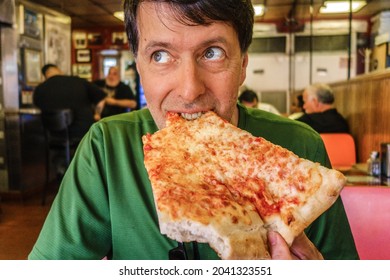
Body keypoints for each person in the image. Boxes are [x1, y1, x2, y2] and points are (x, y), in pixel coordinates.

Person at [29, 0, 358, 260]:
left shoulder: (301, 148)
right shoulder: (106, 148)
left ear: (243, 64)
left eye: (212, 53)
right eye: (160, 55)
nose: (189, 90)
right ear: (139, 67)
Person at [33, 64, 106, 141]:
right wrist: (97, 114)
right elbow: (101, 99)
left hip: (53, 136)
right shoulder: (79, 81)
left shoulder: (40, 89)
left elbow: (38, 107)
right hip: (83, 134)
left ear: (45, 75)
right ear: (58, 70)